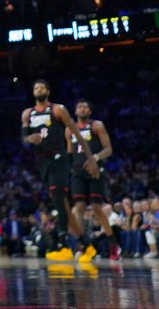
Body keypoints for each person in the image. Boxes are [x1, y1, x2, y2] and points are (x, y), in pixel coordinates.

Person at [21, 78, 96, 262]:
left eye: (42, 87)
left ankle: (63, 246)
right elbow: (24, 138)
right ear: (33, 92)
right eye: (36, 87)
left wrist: (90, 158)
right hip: (42, 161)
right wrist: (30, 139)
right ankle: (86, 245)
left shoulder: (57, 109)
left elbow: (77, 133)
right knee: (62, 205)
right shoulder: (27, 114)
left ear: (48, 91)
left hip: (58, 158)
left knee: (59, 199)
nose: (39, 89)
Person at [69, 99, 119, 262]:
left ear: (89, 112)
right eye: (79, 106)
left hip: (95, 170)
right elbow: (70, 153)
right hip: (77, 171)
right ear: (75, 111)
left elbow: (109, 149)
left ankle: (113, 243)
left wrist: (95, 158)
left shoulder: (97, 125)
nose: (82, 109)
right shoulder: (69, 130)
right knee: (79, 207)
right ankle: (82, 246)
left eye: (85, 107)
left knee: (97, 208)